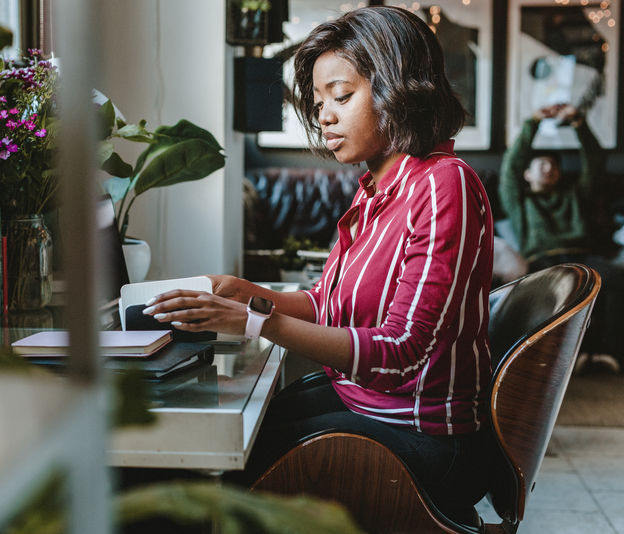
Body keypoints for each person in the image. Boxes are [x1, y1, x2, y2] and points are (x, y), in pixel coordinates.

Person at [144, 6, 494, 520]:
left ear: (398, 89)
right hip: (366, 407)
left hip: (424, 437)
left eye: (342, 95)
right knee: (217, 448)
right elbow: (328, 305)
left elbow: (403, 351)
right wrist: (246, 294)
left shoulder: (444, 184)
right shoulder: (374, 193)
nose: (324, 114)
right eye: (318, 101)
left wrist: (252, 322)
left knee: (217, 475)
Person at [499, 103, 622, 373]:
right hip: (545, 260)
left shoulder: (575, 195)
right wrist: (533, 122)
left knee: (613, 278)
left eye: (554, 165)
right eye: (542, 163)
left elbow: (595, 162)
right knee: (557, 290)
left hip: (583, 255)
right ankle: (563, 358)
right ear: (527, 174)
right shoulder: (520, 202)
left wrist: (579, 122)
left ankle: (604, 354)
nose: (549, 168)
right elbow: (510, 168)